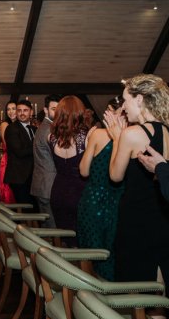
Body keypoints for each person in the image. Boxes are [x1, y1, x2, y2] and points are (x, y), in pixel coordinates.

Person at [105, 74, 169, 295]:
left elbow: (115, 175)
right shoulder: (167, 131)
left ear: (140, 99)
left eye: (126, 100)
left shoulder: (132, 134)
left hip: (137, 220)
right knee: (158, 290)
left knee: (135, 291)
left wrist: (116, 139)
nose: (123, 107)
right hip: (163, 219)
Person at [78, 96, 124, 280]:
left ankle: (90, 299)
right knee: (112, 252)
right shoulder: (136, 137)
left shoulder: (97, 134)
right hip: (117, 203)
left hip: (93, 201)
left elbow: (83, 170)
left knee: (92, 253)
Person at [47, 96, 89, 246]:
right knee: (81, 238)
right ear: (79, 113)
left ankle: (63, 267)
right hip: (80, 192)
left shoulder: (50, 137)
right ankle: (79, 268)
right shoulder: (87, 138)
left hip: (58, 191)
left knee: (64, 236)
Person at [31, 95, 61, 226]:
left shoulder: (46, 126)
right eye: (54, 109)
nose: (58, 112)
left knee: (49, 228)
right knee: (52, 229)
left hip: (43, 184)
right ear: (45, 110)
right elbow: (58, 158)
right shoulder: (49, 129)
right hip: (48, 185)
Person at [4, 100, 37, 208]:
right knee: (26, 208)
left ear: (31, 112)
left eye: (25, 110)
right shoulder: (12, 129)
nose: (22, 113)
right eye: (19, 110)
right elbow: (20, 152)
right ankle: (24, 225)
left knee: (32, 207)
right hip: (19, 177)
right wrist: (38, 147)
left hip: (30, 176)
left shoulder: (33, 129)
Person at [0, 101, 17, 204]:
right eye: (8, 109)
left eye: (13, 108)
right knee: (8, 189)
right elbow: (8, 144)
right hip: (8, 160)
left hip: (17, 160)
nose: (11, 112)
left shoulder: (20, 124)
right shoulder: (5, 124)